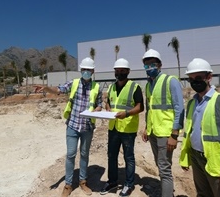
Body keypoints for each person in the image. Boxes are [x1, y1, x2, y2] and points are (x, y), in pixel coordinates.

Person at [35, 57, 102, 197]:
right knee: (70, 155)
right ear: (81, 70)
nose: (86, 72)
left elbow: (100, 103)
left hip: (87, 126)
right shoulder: (74, 83)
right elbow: (59, 89)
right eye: (84, 70)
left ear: (93, 71)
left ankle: (83, 182)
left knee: (84, 155)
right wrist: (47, 88)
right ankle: (68, 184)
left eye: (89, 70)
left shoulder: (97, 87)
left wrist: (98, 109)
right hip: (72, 125)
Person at [179, 58, 220, 197]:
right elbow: (190, 132)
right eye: (191, 79)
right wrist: (187, 157)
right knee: (203, 193)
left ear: (209, 77)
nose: (194, 82)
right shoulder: (192, 103)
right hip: (196, 157)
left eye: (198, 77)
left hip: (217, 161)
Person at [141, 49, 184, 197]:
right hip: (153, 132)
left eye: (152, 64)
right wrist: (146, 128)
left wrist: (174, 134)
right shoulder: (148, 85)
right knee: (160, 165)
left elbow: (179, 108)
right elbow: (149, 109)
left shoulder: (170, 81)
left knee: (165, 169)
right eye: (146, 65)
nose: (150, 68)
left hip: (166, 133)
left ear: (160, 65)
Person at [100, 58, 144, 197]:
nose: (119, 73)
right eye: (117, 71)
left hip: (128, 129)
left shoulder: (134, 87)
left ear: (128, 72)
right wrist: (108, 109)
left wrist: (126, 113)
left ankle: (129, 184)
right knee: (111, 155)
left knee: (128, 157)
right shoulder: (112, 87)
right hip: (113, 127)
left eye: (122, 71)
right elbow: (109, 103)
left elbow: (140, 107)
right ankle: (112, 181)